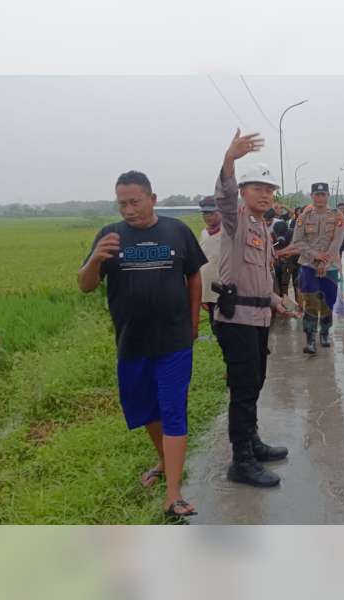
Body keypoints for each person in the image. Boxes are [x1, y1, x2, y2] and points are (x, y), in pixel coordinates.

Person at [78, 170, 207, 518]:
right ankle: (165, 461)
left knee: (172, 409)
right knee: (145, 409)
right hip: (132, 342)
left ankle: (174, 495)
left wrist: (194, 321)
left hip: (175, 340)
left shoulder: (177, 231)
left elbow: (194, 275)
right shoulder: (110, 236)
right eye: (122, 203)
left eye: (135, 201)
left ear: (152, 198)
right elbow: (86, 285)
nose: (129, 209)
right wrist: (94, 260)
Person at [213, 128, 295, 488]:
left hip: (258, 318)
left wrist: (278, 301)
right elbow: (225, 196)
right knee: (244, 389)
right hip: (237, 321)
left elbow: (259, 279)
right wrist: (230, 159)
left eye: (270, 190)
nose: (265, 194)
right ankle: (241, 461)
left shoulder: (263, 227)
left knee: (254, 384)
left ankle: (252, 442)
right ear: (244, 193)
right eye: (258, 188)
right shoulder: (236, 222)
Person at [279, 182, 344, 354]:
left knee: (327, 302)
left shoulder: (337, 216)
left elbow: (337, 242)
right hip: (309, 265)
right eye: (317, 195)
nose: (320, 198)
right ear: (312, 196)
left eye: (323, 194)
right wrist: (315, 256)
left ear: (328, 196)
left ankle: (324, 333)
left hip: (330, 267)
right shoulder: (303, 217)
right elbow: (298, 241)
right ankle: (310, 339)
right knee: (310, 303)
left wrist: (324, 263)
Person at [198, 195, 223, 337]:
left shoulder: (228, 233)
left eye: (211, 213)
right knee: (214, 325)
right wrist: (203, 296)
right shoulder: (204, 234)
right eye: (205, 214)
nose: (207, 217)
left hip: (225, 290)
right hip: (209, 290)